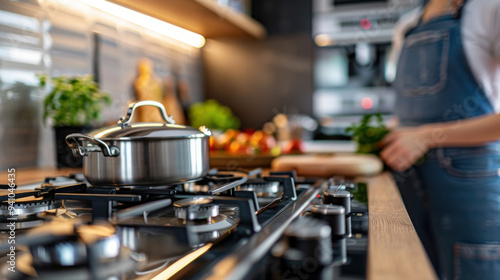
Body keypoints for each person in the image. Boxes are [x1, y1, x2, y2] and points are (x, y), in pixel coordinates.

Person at [379, 0, 500, 279]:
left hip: (471, 186)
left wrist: (426, 137)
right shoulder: (407, 25)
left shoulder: (489, 8)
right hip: (408, 180)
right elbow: (403, 113)